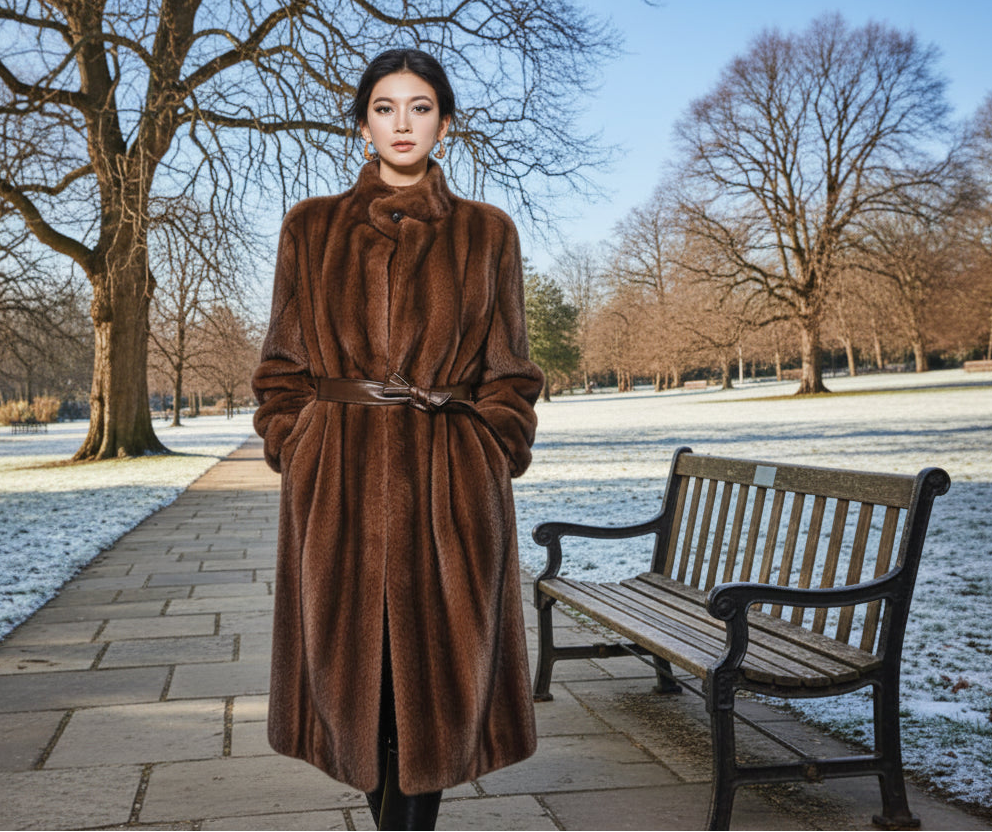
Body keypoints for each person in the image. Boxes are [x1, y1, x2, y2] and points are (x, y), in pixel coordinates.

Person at [251, 48, 544, 831]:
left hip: (451, 492)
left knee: (434, 704)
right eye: (385, 107)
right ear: (362, 125)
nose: (402, 123)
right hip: (338, 488)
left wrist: (491, 449)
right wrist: (298, 443)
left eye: (421, 107)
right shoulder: (311, 228)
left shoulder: (487, 232)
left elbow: (512, 375)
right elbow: (280, 369)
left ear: (446, 124)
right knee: (361, 700)